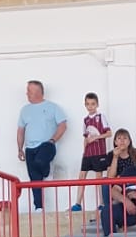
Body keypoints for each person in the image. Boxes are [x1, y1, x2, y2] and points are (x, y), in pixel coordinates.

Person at [15, 80, 70, 211]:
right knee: (34, 178)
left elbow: (63, 125)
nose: (27, 93)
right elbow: (20, 130)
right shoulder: (25, 110)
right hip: (30, 148)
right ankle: (38, 206)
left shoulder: (53, 107)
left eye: (29, 91)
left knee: (40, 162)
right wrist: (19, 148)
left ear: (38, 92)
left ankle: (46, 170)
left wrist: (52, 140)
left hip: (47, 145)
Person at [72, 93, 111, 213]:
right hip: (88, 153)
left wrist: (96, 137)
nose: (90, 106)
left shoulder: (101, 117)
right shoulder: (85, 120)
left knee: (98, 177)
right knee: (82, 175)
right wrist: (84, 150)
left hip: (99, 152)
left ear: (97, 104)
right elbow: (86, 136)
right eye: (88, 104)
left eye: (93, 104)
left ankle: (102, 203)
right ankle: (78, 203)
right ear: (85, 105)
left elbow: (109, 133)